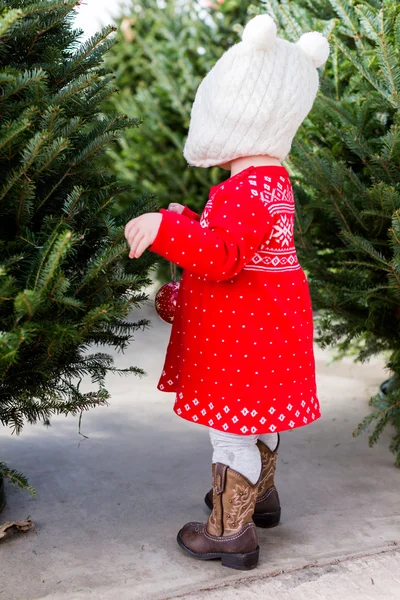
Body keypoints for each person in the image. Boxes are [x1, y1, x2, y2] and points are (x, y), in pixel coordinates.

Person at [124, 14, 330, 571]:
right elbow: (242, 250)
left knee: (229, 428)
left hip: (241, 340)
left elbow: (219, 258)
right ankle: (259, 500)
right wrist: (189, 219)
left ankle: (229, 532)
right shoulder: (272, 183)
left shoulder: (243, 190)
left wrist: (166, 229)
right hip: (271, 330)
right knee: (260, 419)